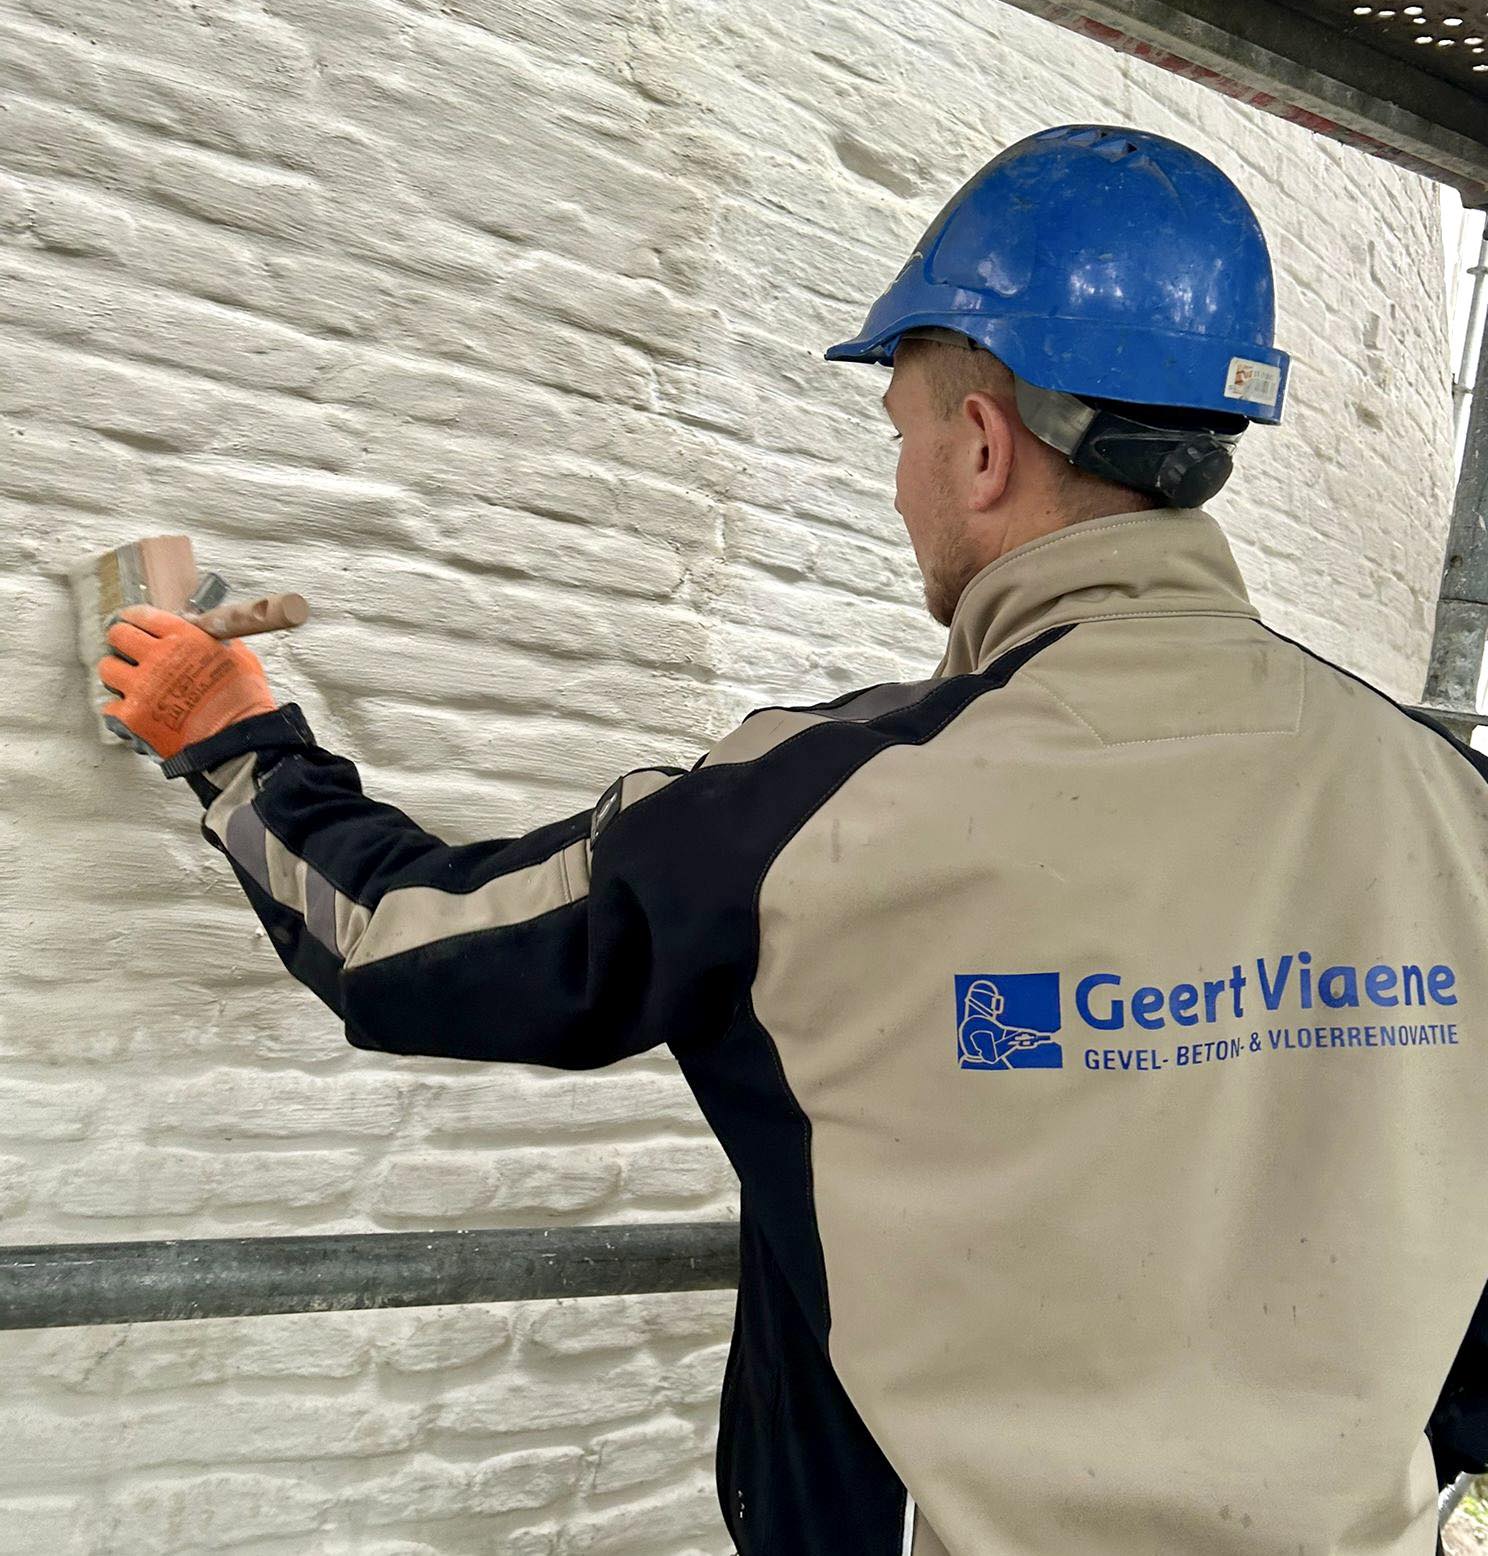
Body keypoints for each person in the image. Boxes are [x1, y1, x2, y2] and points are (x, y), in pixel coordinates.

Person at [101, 125, 1488, 1556]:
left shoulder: (823, 809)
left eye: (900, 435)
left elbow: (404, 944)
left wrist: (231, 738)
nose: (900, 485)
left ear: (982, 444)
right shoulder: (1449, 803)